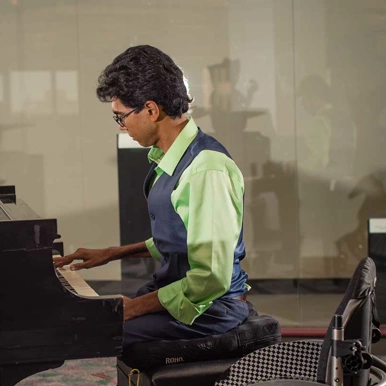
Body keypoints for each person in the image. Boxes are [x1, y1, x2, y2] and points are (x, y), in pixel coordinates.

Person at [54, 45, 250, 349]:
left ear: (151, 110)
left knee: (104, 333)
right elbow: (178, 240)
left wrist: (133, 307)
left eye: (121, 117)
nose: (122, 126)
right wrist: (110, 253)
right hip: (187, 297)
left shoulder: (206, 170)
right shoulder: (171, 157)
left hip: (212, 309)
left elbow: (210, 279)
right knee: (103, 321)